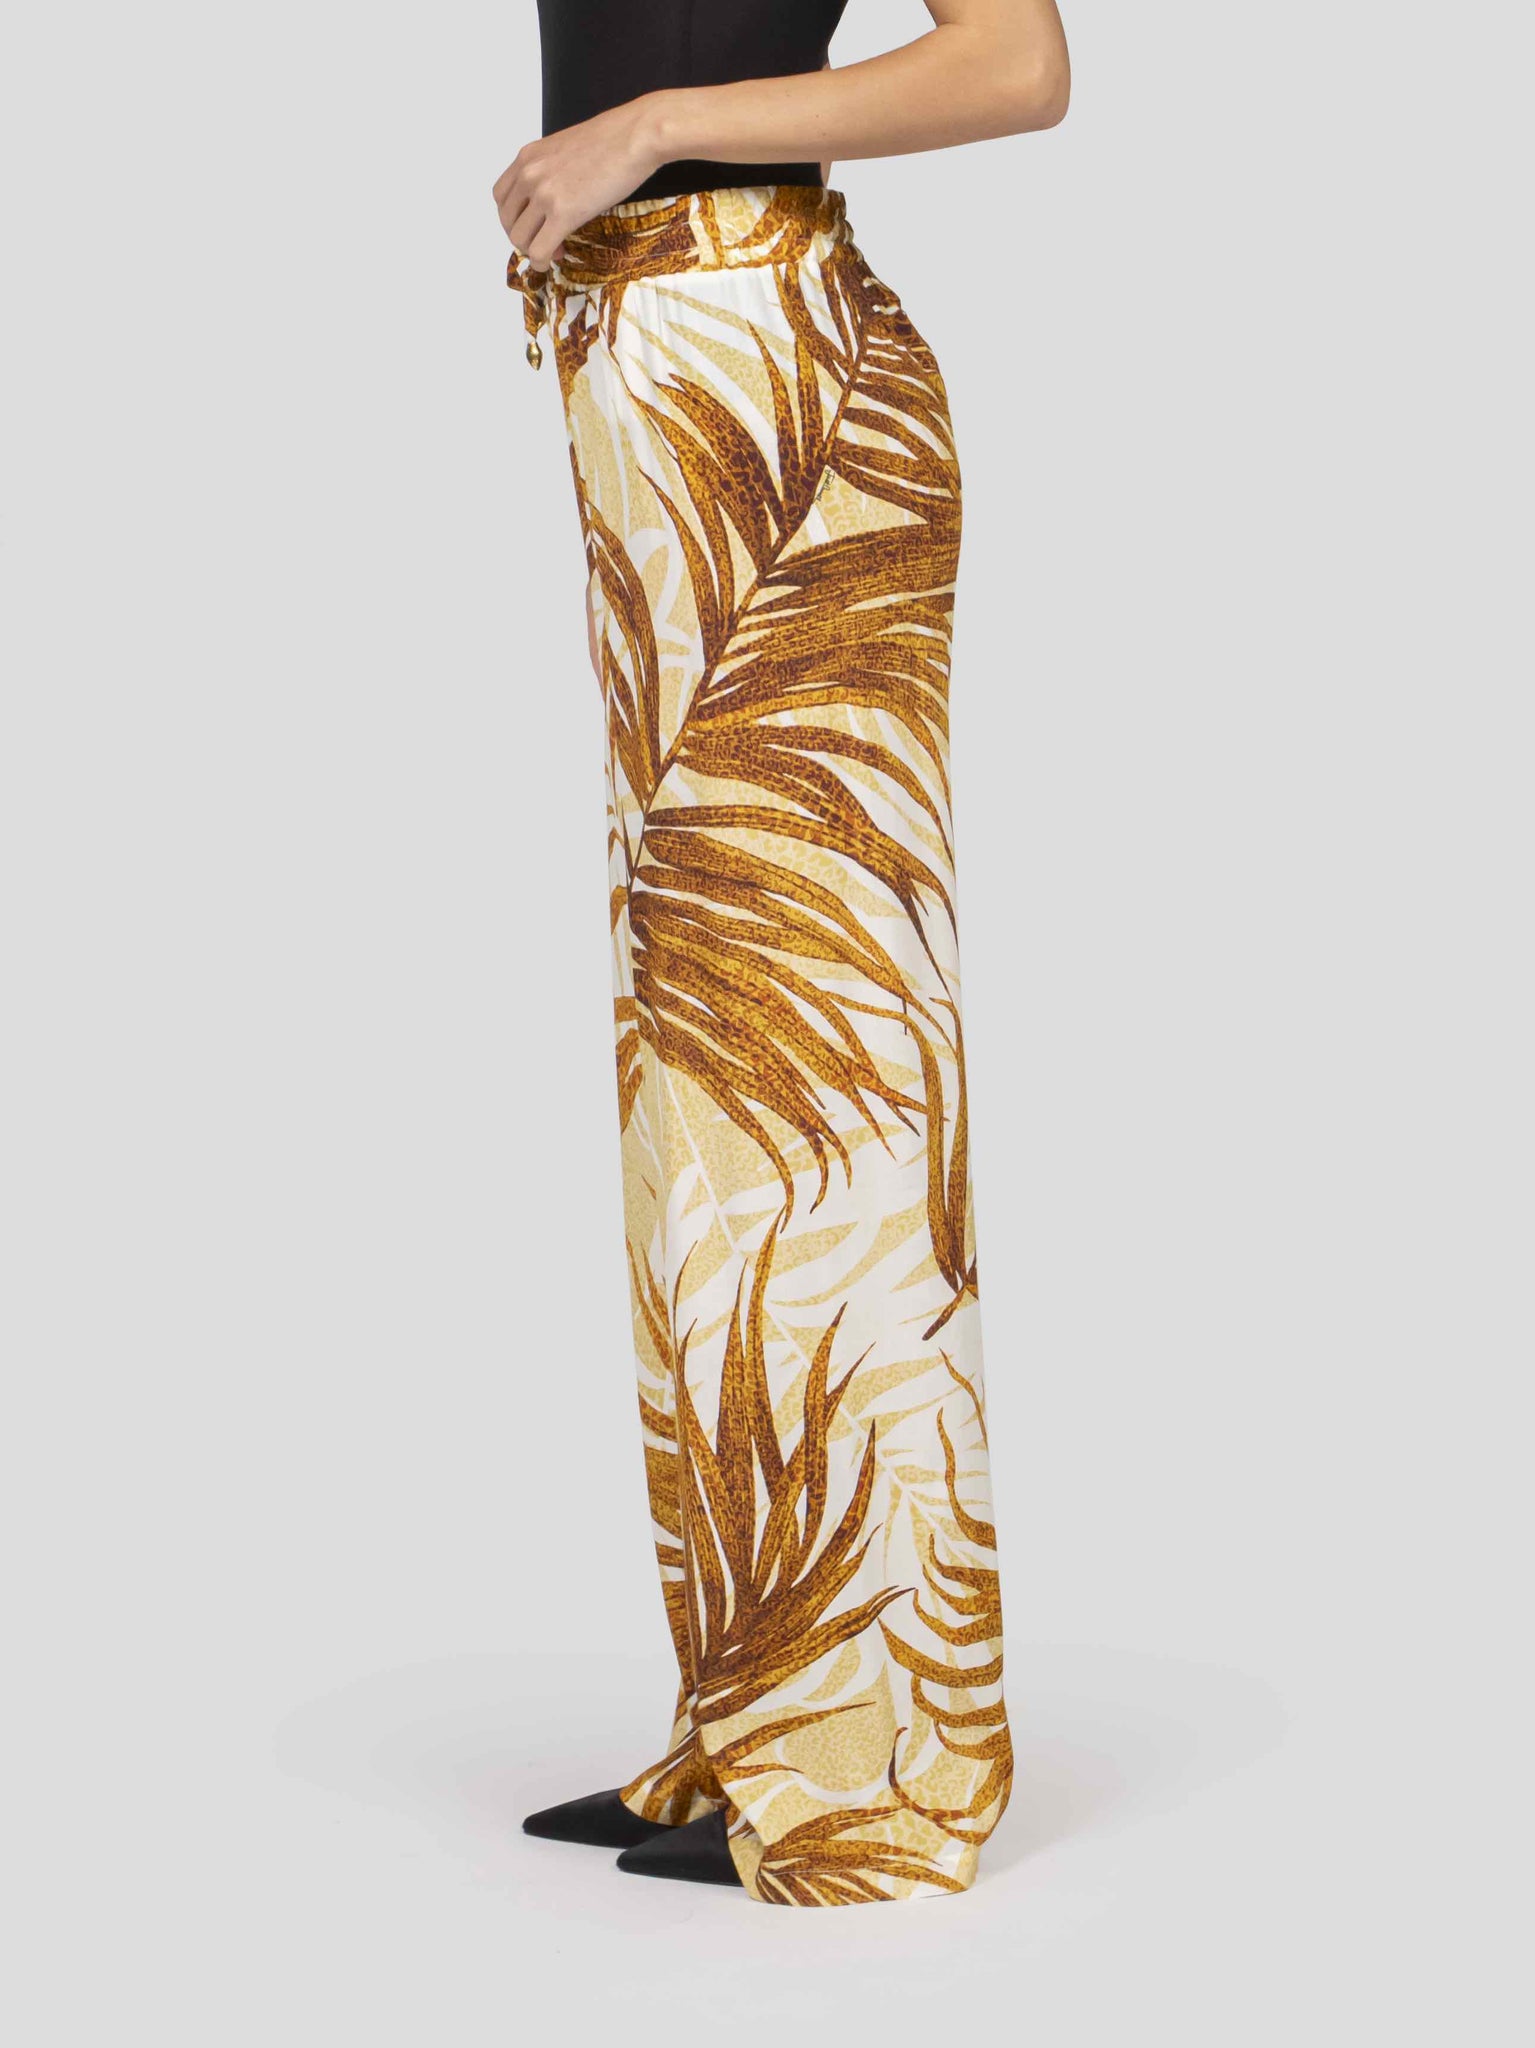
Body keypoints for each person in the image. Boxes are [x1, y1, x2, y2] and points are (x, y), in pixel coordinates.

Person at [495, 0, 1070, 1909]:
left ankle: (879, 1760)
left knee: (817, 1087)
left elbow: (1021, 62)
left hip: (774, 387)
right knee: (705, 1075)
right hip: (669, 382)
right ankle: (764, 1707)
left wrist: (651, 125)